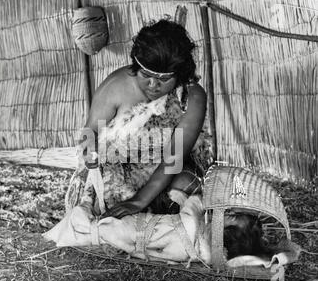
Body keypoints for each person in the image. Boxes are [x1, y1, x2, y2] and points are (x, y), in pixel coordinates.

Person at [44, 18, 209, 245]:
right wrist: (90, 156)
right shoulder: (116, 86)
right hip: (117, 167)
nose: (153, 85)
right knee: (103, 207)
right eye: (146, 75)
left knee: (187, 190)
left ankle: (153, 229)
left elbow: (174, 158)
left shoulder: (191, 98)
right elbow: (89, 132)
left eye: (163, 79)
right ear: (136, 66)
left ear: (179, 75)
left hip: (166, 171)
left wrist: (140, 201)